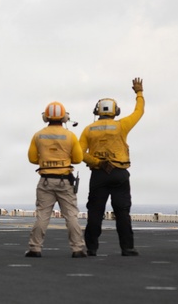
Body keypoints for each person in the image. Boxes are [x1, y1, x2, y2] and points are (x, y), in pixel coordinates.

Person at [79, 78, 145, 256]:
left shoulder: (88, 129)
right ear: (116, 111)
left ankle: (91, 248)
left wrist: (96, 162)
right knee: (122, 212)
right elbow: (139, 112)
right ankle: (127, 248)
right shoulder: (121, 125)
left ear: (96, 111)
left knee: (95, 212)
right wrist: (139, 93)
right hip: (119, 173)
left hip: (99, 174)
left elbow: (78, 154)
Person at [25, 101, 87, 258]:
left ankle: (35, 248)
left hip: (45, 180)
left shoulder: (38, 135)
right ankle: (77, 249)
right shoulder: (70, 136)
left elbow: (32, 159)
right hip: (64, 181)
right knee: (71, 215)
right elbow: (78, 159)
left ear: (46, 117)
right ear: (65, 118)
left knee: (42, 216)